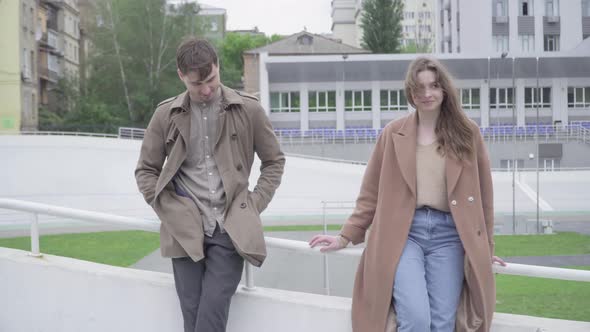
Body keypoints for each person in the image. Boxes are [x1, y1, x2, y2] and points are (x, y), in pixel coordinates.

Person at [309, 56, 506, 332]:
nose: (427, 94)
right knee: (415, 319)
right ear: (410, 93)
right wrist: (345, 236)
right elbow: (370, 195)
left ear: (444, 89)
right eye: (419, 88)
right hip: (404, 234)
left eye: (434, 86)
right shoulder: (392, 134)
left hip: (450, 236)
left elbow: (484, 199)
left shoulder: (467, 133)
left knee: (442, 324)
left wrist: (485, 249)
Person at [135, 37, 285, 332]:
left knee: (211, 315)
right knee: (192, 317)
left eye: (211, 80)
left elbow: (274, 161)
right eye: (196, 84)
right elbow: (146, 170)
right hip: (183, 230)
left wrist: (252, 205)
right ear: (181, 76)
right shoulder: (165, 114)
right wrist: (167, 208)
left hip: (230, 229)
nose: (205, 90)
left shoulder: (249, 110)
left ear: (218, 66)